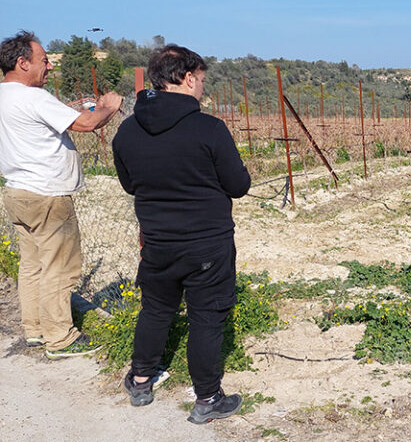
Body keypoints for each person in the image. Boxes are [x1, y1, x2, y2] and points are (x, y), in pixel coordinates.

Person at [112, 44, 250, 424]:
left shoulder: (127, 130)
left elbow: (129, 184)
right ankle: (207, 398)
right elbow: (238, 185)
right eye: (201, 80)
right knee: (206, 317)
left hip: (156, 242)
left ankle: (141, 381)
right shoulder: (208, 129)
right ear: (188, 79)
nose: (202, 88)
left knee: (156, 309)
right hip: (207, 243)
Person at [0, 31, 122, 358]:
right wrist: (109, 107)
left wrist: (66, 108)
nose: (50, 67)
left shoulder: (5, 96)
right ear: (22, 63)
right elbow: (86, 124)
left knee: (33, 264)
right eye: (44, 61)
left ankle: (35, 329)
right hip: (48, 195)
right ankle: (60, 337)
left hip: (17, 192)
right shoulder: (34, 97)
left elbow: (37, 121)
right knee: (60, 267)